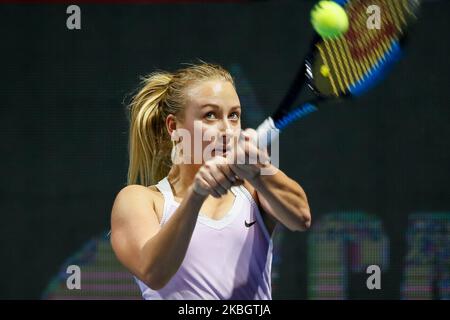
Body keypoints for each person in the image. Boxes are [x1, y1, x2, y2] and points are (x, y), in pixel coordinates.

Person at [110, 62, 311, 300]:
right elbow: (154, 273)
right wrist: (196, 195)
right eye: (210, 115)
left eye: (234, 116)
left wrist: (259, 173)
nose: (227, 130)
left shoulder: (253, 191)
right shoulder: (140, 201)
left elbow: (301, 218)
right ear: (174, 127)